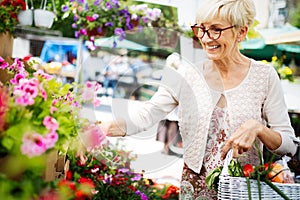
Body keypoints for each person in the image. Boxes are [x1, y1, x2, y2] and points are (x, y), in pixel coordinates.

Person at [100, 0, 298, 199]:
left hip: (243, 189)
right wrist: (102, 128)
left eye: (215, 30)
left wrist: (258, 128)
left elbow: (289, 145)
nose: (205, 38)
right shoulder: (186, 74)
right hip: (194, 188)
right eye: (200, 29)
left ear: (241, 32)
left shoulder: (264, 76)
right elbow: (147, 114)